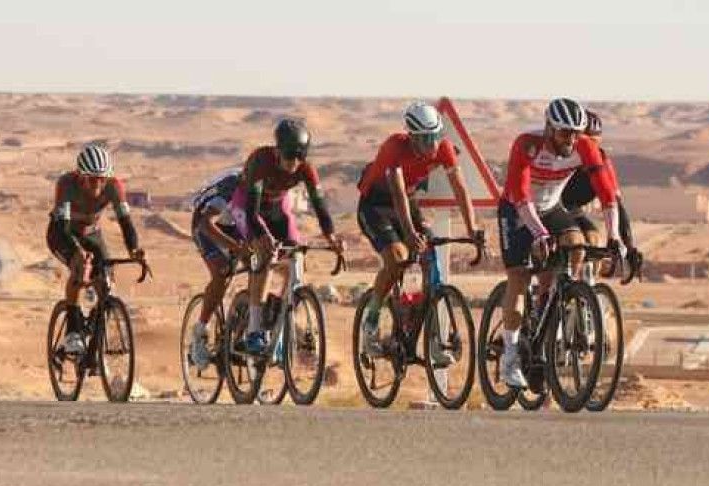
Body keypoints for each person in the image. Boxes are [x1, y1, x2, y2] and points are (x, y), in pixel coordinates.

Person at [497, 98, 622, 389]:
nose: (572, 139)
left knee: (576, 244)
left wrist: (614, 235)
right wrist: (539, 234)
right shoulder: (528, 144)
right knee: (519, 277)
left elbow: (607, 193)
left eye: (577, 133)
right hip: (518, 208)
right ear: (550, 128)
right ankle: (511, 356)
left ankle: (550, 300)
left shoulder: (583, 146)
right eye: (566, 133)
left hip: (551, 207)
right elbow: (521, 194)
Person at [357, 101, 478, 364]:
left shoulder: (443, 148)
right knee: (397, 257)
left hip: (407, 202)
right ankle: (372, 320)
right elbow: (398, 194)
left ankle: (426, 332)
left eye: (435, 137)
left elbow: (460, 189)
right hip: (377, 205)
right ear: (411, 136)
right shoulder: (394, 147)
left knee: (429, 248)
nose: (432, 145)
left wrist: (473, 228)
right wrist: (410, 234)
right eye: (425, 139)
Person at [233, 118, 344, 356]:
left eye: (298, 157)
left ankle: (277, 311)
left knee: (296, 256)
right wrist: (263, 237)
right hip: (248, 206)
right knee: (266, 255)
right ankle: (254, 330)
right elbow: (252, 213)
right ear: (277, 151)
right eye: (288, 157)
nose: (293, 163)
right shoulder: (261, 161)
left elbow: (320, 206)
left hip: (276, 206)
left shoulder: (306, 169)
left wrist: (331, 236)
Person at [46, 144, 145, 356]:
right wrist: (77, 252)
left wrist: (134, 249)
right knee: (80, 266)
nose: (98, 184)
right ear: (81, 176)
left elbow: (125, 222)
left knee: (107, 279)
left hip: (91, 234)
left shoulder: (114, 186)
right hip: (63, 232)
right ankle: (72, 330)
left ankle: (95, 327)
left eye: (102, 179)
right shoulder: (66, 184)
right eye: (92, 179)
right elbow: (63, 228)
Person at [561, 109, 640, 273]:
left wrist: (629, 246)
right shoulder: (563, 156)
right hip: (549, 206)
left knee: (594, 240)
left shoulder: (602, 162)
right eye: (586, 144)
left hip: (572, 208)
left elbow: (617, 204)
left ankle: (584, 291)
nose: (590, 151)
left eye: (595, 145)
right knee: (575, 244)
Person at [187, 168, 250, 368]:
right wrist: (236, 247)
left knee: (259, 266)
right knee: (222, 272)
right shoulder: (232, 186)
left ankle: (240, 330)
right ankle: (200, 330)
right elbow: (206, 224)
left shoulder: (269, 188)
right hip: (205, 222)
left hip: (235, 224)